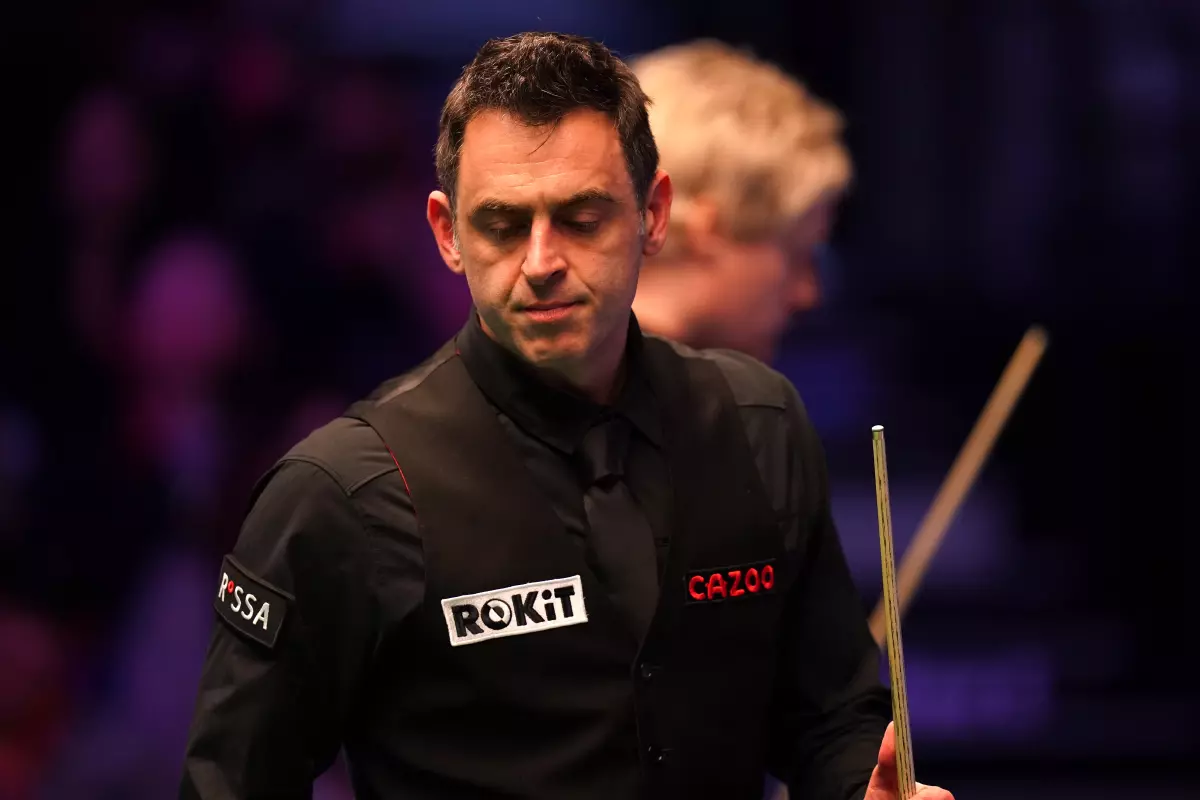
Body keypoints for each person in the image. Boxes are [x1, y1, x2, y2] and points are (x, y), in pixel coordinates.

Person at [179, 32, 953, 800]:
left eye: (582, 218)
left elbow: (831, 723)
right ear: (448, 233)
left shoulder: (758, 424)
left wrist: (865, 789)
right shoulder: (339, 493)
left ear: (653, 214)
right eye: (503, 224)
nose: (542, 262)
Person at [629, 40, 851, 363]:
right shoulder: (679, 401)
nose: (808, 294)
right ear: (708, 231)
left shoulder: (554, 368)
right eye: (797, 255)